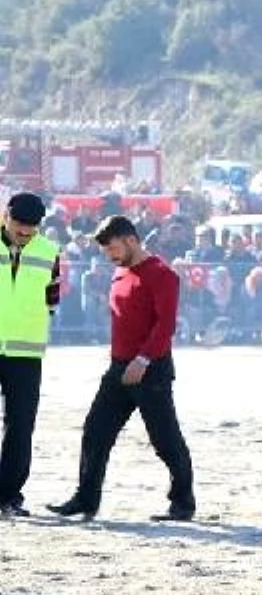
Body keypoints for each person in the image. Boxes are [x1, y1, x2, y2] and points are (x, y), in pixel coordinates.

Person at [48, 215, 195, 522]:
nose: (109, 256)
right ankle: (86, 499)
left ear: (130, 240)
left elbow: (165, 325)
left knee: (165, 439)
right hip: (118, 368)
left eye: (112, 248)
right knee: (95, 431)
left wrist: (142, 360)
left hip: (150, 369)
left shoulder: (162, 274)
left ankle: (183, 502)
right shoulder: (120, 272)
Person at [0, 193, 60, 518]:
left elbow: (52, 300)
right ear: (5, 216)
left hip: (25, 352)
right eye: (19, 226)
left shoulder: (49, 252)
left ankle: (8, 496)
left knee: (21, 426)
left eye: (31, 229)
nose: (24, 234)